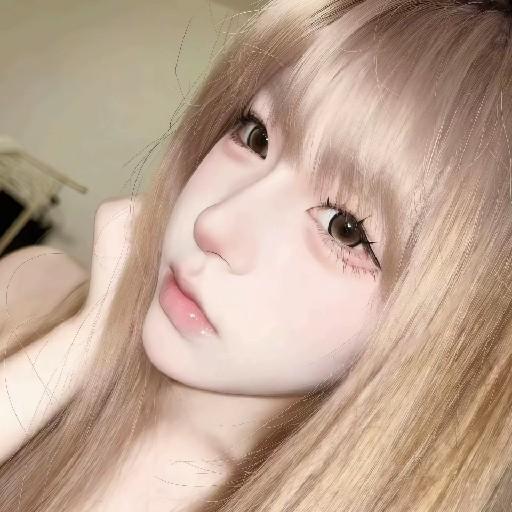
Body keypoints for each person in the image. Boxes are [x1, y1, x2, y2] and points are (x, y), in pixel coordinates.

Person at [2, 0, 512, 509]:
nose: (215, 222)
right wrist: (85, 343)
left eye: (345, 229)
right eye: (256, 136)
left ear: (446, 329)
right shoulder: (28, 286)